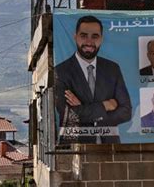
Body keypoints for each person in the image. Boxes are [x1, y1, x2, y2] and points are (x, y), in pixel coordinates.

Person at [55, 15, 132, 144]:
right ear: (75, 37)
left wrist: (84, 110)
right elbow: (67, 113)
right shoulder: (61, 71)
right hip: (75, 147)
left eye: (95, 36)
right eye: (84, 35)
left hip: (110, 148)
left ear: (101, 39)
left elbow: (126, 111)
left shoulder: (112, 69)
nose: (89, 42)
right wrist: (105, 106)